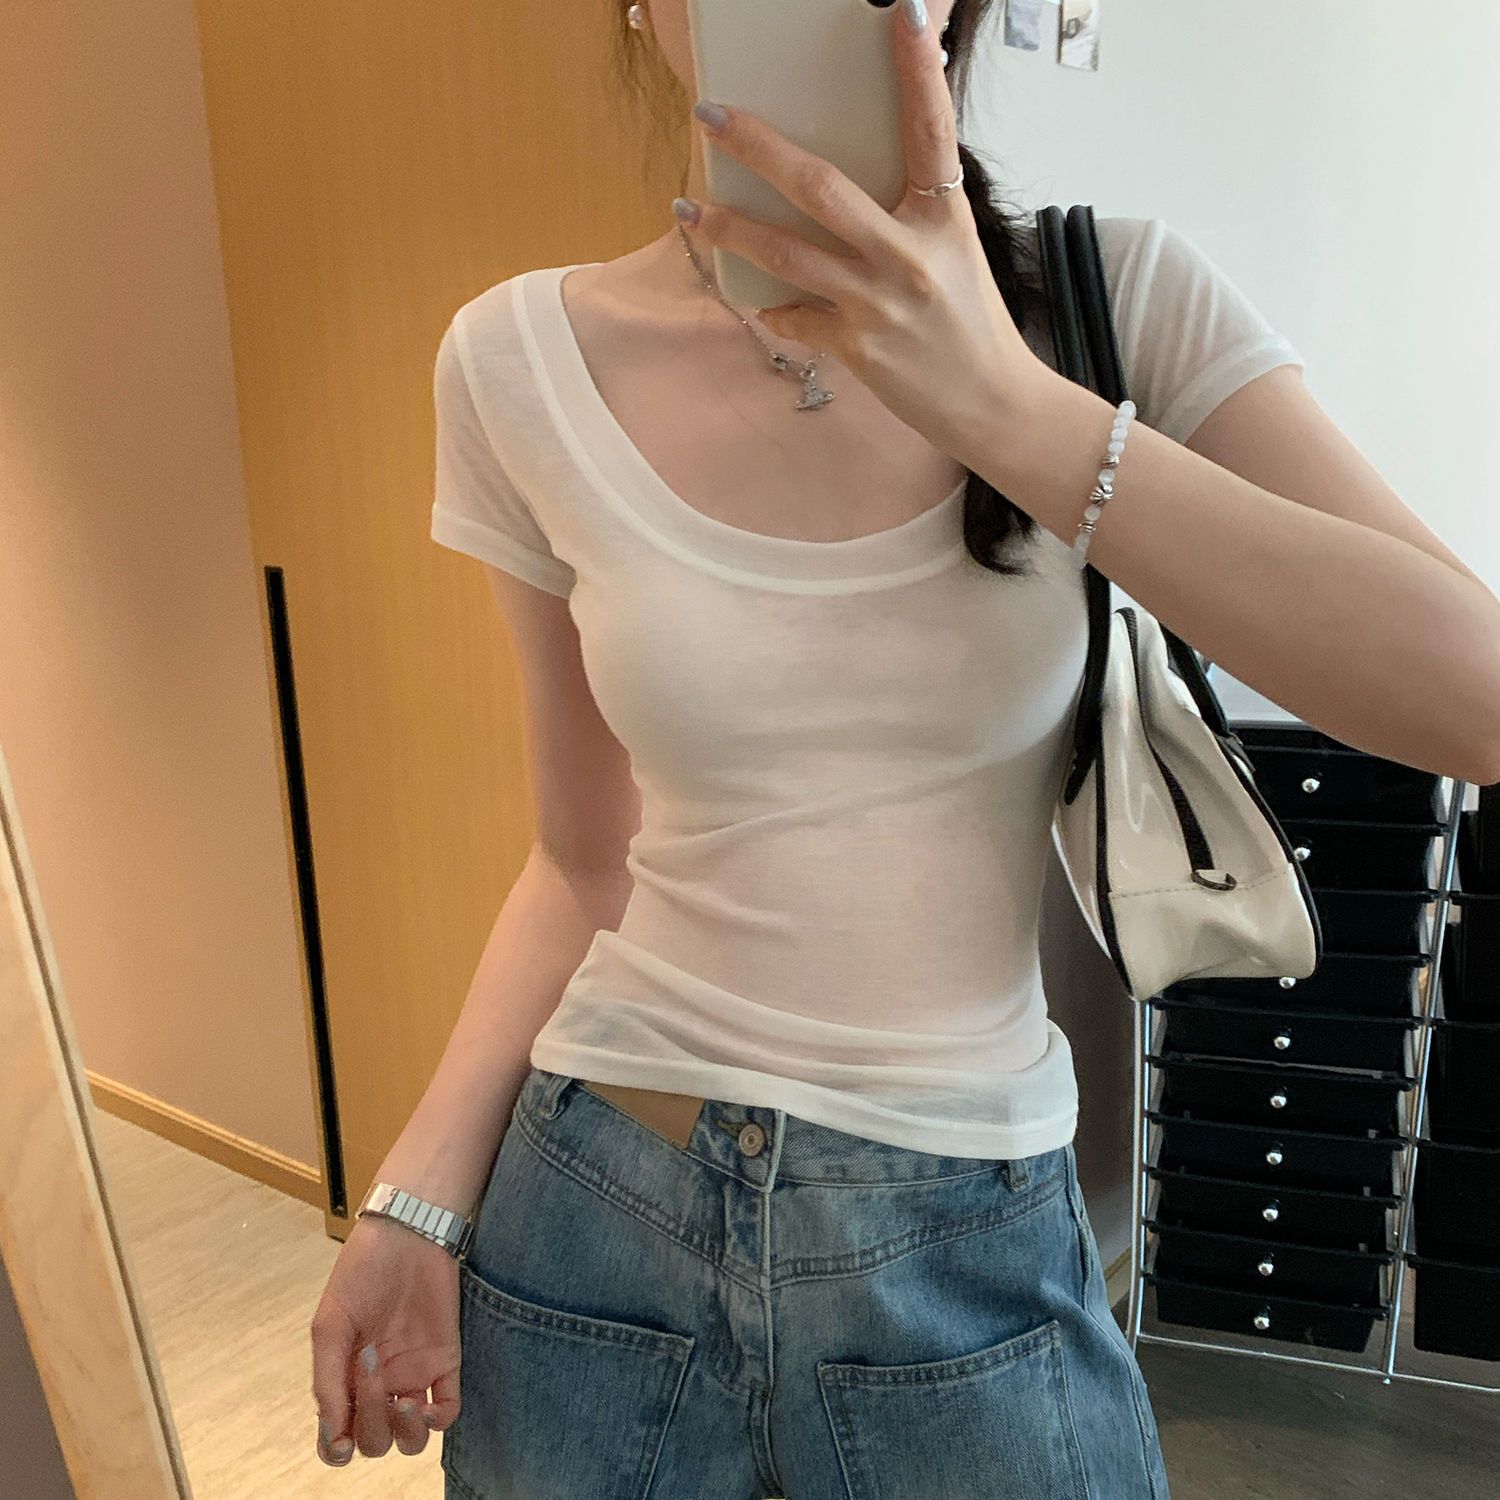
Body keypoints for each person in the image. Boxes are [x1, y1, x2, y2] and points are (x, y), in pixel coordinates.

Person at [309, 0, 1500, 1495]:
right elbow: (578, 860)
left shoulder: (1110, 299)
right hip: (600, 1222)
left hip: (968, 1239)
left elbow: (1476, 700)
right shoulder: (514, 361)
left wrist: (1007, 408)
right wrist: (414, 1204)